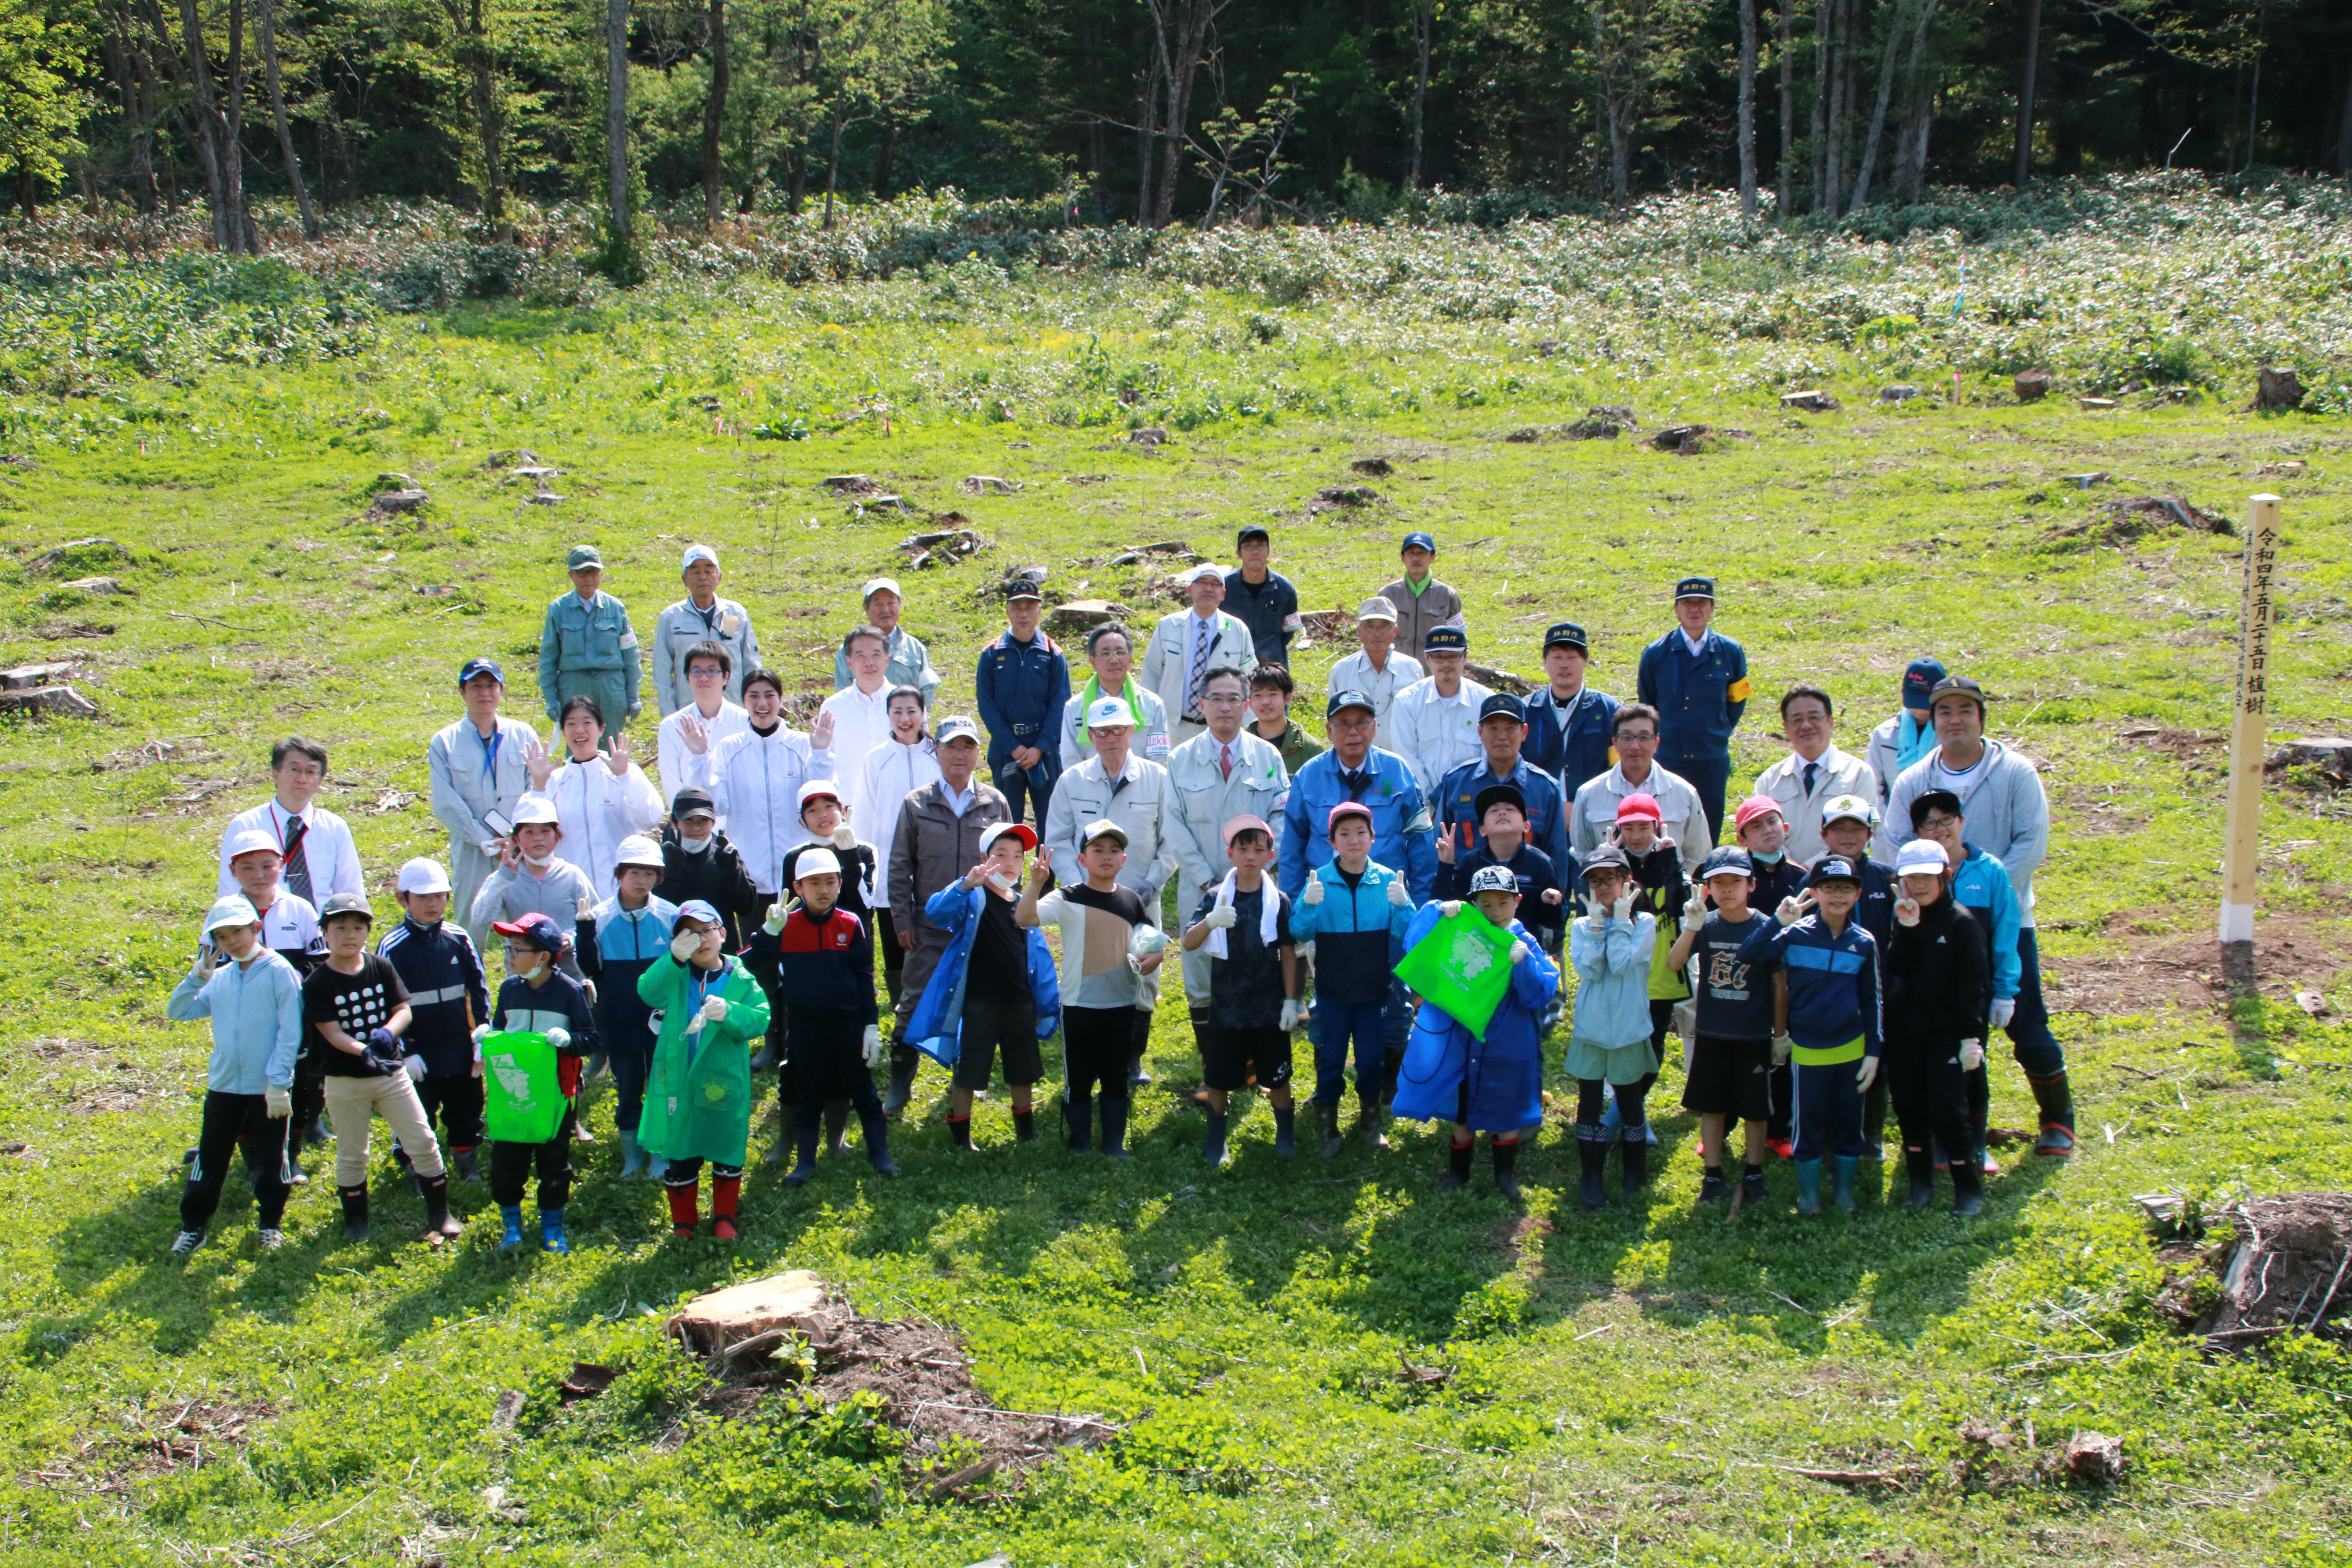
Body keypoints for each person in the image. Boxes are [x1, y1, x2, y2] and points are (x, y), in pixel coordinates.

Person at [1883, 675, 2072, 1155]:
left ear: (1981, 717)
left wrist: (1988, 891)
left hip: (2003, 919)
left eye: (1965, 710)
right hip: (1934, 927)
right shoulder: (1914, 779)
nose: (1954, 720)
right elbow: (1896, 841)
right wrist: (1939, 900)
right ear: (1933, 721)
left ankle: (2058, 1120)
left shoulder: (2016, 773)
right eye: (1945, 711)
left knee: (2024, 1020)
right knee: (1952, 1025)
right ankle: (1962, 1133)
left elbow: (2032, 840)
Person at [1280, 690, 1439, 1103]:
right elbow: (1293, 845)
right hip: (1329, 908)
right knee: (1328, 992)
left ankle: (1387, 1084)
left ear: (1375, 728)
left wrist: (1413, 904)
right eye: (1344, 724)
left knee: (1392, 992)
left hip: (1386, 907)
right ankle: (1326, 1083)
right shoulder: (1310, 777)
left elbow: (1422, 840)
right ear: (1329, 729)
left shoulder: (1397, 772)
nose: (1353, 733)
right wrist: (1302, 905)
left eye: (1362, 723)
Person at [1391, 865, 1560, 1198]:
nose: (1495, 912)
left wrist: (1524, 964)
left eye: (1503, 903)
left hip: (1508, 1046)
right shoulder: (1462, 933)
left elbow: (1538, 995)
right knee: (1463, 1112)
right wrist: (1437, 913)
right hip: (1464, 1044)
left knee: (1506, 1111)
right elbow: (1416, 945)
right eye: (1485, 904)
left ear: (1517, 901)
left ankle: (1505, 1177)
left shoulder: (1526, 943)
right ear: (1472, 903)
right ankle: (1458, 1174)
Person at [305, 892, 463, 1245]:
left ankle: (440, 1213)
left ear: (367, 932)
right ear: (325, 933)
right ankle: (356, 1221)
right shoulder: (317, 983)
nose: (350, 935)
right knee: (352, 1152)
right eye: (340, 927)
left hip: (391, 1074)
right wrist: (363, 1051)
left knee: (423, 1140)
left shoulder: (380, 966)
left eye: (358, 927)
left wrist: (387, 1035)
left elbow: (403, 1009)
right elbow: (331, 1032)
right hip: (345, 1079)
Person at [1040, 698, 1178, 1086]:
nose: (1112, 738)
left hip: (1142, 901)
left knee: (1145, 977)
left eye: (1119, 729)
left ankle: (1132, 1060)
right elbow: (1058, 841)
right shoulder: (1072, 781)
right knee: (1091, 976)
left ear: (1133, 731)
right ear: (1092, 736)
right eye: (1103, 732)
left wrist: (1150, 884)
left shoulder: (1158, 779)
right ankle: (1089, 1061)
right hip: (1087, 907)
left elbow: (1172, 842)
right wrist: (1078, 888)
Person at [1737, 858, 1883, 1214]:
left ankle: (1845, 1194)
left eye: (1845, 888)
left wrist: (1874, 1051)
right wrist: (1777, 921)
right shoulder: (1795, 933)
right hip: (1809, 1050)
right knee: (1809, 1124)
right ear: (1814, 892)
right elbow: (1749, 954)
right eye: (1829, 888)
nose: (1837, 895)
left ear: (1858, 894)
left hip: (1851, 1049)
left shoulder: (1864, 942)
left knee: (1850, 1122)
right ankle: (1809, 1196)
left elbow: (1872, 998)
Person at [906, 822, 1061, 1152]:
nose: (1010, 863)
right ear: (984, 858)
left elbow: (1040, 956)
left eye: (1018, 857)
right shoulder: (972, 896)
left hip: (1019, 1001)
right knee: (969, 1071)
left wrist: (1043, 1001)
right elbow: (936, 911)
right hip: (980, 1002)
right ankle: (962, 1140)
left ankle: (1026, 1133)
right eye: (1001, 855)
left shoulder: (1022, 901)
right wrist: (965, 884)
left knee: (1022, 1071)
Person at [886, 716, 1013, 1114]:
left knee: (976, 1006)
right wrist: (903, 922)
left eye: (968, 746)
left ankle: (966, 1082)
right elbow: (899, 866)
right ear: (936, 751)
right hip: (930, 924)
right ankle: (899, 1086)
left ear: (979, 753)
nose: (960, 754)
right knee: (912, 1004)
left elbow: (1011, 866)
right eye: (952, 746)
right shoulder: (916, 803)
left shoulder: (996, 802)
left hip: (982, 929)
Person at [165, 895, 303, 1256]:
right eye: (223, 937)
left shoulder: (279, 971)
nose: (232, 942)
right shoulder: (222, 978)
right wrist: (198, 977)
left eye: (238, 932)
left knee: (273, 1157)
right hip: (225, 1085)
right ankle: (194, 1227)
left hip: (267, 1088)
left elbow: (291, 1032)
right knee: (210, 1159)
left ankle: (270, 1223)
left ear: (256, 928)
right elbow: (179, 1011)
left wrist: (279, 1082)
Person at [1019, 825, 1162, 1158]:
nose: (1106, 856)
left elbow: (1154, 947)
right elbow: (1025, 918)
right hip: (1079, 1005)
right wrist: (1036, 883)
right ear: (1083, 859)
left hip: (1123, 1004)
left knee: (1116, 1076)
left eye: (1114, 850)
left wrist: (1150, 960)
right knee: (1079, 1078)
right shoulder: (1067, 898)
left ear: (1124, 859)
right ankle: (1079, 1143)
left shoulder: (1132, 900)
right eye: (1098, 850)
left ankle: (1114, 1142)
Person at [1163, 666, 1291, 1036]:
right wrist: (1209, 882)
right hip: (1200, 887)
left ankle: (1252, 1062)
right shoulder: (1180, 759)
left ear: (1247, 706)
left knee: (1254, 967)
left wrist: (1259, 868)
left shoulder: (1267, 758)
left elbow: (1280, 819)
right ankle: (1211, 1064)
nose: (1225, 707)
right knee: (1201, 974)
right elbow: (1175, 826)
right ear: (1201, 704)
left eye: (1234, 698)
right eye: (1216, 698)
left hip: (1254, 887)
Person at [1907, 786, 2024, 1180]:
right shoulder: (1911, 878)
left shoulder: (1990, 871)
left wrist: (2005, 991)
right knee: (1932, 1075)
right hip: (1925, 997)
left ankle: (1975, 1142)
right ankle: (1941, 1144)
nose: (1938, 829)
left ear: (1961, 822)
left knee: (1972, 1068)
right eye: (1928, 823)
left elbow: (2007, 934)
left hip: (1972, 994)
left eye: (1946, 820)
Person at [760, 848, 896, 1185]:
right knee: (808, 1092)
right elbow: (750, 961)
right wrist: (768, 931)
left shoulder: (850, 924)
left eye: (831, 882)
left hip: (849, 1026)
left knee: (864, 1092)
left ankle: (880, 1156)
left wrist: (870, 1025)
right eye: (814, 883)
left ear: (840, 884)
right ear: (799, 887)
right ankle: (805, 1162)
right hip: (806, 1027)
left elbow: (865, 978)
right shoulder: (786, 926)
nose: (824, 890)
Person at [637, 898, 771, 1239]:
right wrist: (673, 958)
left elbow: (761, 1019)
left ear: (723, 934)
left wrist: (730, 1012)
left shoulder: (739, 976)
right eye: (688, 934)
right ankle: (684, 1223)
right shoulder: (675, 974)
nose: (700, 940)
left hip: (724, 1078)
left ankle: (724, 1218)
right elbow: (648, 992)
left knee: (725, 1143)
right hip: (680, 1078)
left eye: (706, 931)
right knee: (681, 1146)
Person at [1289, 802, 1416, 1154]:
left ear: (1373, 838)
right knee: (1330, 1060)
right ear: (1333, 841)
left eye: (1361, 832)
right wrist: (1308, 906)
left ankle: (1370, 1124)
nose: (1354, 840)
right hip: (1333, 992)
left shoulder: (1389, 881)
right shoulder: (1319, 881)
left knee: (1371, 1059)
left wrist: (1404, 906)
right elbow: (1299, 932)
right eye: (1344, 834)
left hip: (1375, 992)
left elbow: (1410, 937)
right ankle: (1328, 1125)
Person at [1180, 816, 1299, 1166]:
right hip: (1227, 1008)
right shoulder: (1216, 898)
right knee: (1218, 1078)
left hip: (1268, 1007)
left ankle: (1285, 1133)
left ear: (1270, 856)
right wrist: (1211, 921)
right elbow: (1188, 942)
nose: (1250, 856)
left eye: (1258, 850)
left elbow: (1289, 953)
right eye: (1243, 849)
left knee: (1278, 1077)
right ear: (1230, 853)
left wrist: (1291, 1001)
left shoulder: (1278, 900)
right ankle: (1217, 1136)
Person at [1666, 847, 1778, 1210]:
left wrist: (1781, 1034)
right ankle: (1713, 1173)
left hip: (1754, 1034)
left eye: (1735, 882)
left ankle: (1755, 1171)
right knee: (1712, 1107)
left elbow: (1780, 982)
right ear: (1707, 888)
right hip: (1713, 1033)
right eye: (1718, 883)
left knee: (1755, 1109)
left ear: (1751, 885)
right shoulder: (1707, 923)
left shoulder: (1765, 926)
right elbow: (1674, 963)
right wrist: (1691, 928)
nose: (1727, 890)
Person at [1883, 839, 1991, 1215]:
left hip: (1947, 1036)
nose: (1920, 885)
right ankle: (1920, 1184)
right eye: (1912, 878)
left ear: (1945, 877)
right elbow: (1895, 968)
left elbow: (1974, 986)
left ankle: (1968, 1188)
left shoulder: (1962, 923)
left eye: (1928, 877)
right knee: (1910, 1109)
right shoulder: (1904, 915)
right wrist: (1908, 928)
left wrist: (1970, 1038)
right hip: (1905, 1034)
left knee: (1948, 1111)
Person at [483, 913, 598, 1252]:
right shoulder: (509, 989)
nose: (510, 956)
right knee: (506, 1162)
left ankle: (553, 1226)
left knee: (553, 1163)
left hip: (555, 1096)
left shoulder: (569, 992)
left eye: (518, 949)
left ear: (544, 956)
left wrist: (568, 1041)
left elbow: (591, 1039)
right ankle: (512, 1225)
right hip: (513, 1092)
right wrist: (486, 1039)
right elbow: (500, 1031)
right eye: (510, 948)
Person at [220, 827, 327, 1177]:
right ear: (233, 871)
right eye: (247, 868)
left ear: (282, 865)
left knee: (299, 1086)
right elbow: (214, 969)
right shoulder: (224, 915)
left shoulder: (300, 908)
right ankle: (253, 1156)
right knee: (245, 1089)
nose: (259, 875)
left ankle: (289, 1156)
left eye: (267, 865)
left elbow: (320, 964)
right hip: (246, 1022)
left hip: (293, 1020)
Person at [377, 857, 491, 1185]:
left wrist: (481, 1035)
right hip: (419, 1052)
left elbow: (478, 988)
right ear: (403, 899)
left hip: (460, 1045)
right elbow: (388, 1004)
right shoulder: (392, 947)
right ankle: (415, 1165)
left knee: (467, 1106)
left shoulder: (459, 938)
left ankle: (466, 1160)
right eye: (423, 897)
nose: (432, 904)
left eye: (439, 896)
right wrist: (406, 1050)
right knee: (416, 1113)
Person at [689, 666, 837, 911]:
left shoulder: (802, 744)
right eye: (754, 696)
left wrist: (821, 752)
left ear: (780, 700)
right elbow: (718, 805)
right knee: (756, 946)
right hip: (750, 874)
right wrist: (700, 759)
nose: (762, 703)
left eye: (769, 695)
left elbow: (821, 796)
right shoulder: (729, 748)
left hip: (799, 872)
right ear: (744, 702)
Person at [574, 835, 678, 1180]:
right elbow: (592, 968)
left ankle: (660, 1155)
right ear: (619, 874)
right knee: (629, 1086)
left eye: (650, 874)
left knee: (663, 1087)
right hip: (619, 1018)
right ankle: (632, 1157)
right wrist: (585, 931)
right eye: (635, 872)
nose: (642, 881)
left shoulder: (669, 915)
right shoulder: (600, 917)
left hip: (661, 1019)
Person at [428, 657, 544, 954]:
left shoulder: (524, 734)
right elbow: (446, 802)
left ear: (502, 689)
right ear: (461, 692)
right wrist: (484, 839)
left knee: (527, 925)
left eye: (491, 685)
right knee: (471, 923)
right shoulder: (445, 742)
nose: (484, 692)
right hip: (472, 849)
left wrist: (521, 835)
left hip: (520, 847)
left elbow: (537, 787)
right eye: (476, 686)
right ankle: (471, 991)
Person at [1565, 845, 1658, 1209]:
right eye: (1595, 881)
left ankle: (1635, 1171)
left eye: (1610, 879)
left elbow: (1620, 965)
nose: (1603, 888)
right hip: (1591, 1029)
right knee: (1588, 1101)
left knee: (1630, 1100)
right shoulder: (1582, 926)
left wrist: (1620, 921)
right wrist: (1600, 927)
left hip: (1630, 1030)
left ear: (1627, 882)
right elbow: (1591, 970)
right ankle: (1591, 1173)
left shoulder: (1645, 924)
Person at [1815, 793, 1900, 1156]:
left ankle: (1873, 1133)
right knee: (1834, 1057)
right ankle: (1831, 1133)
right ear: (1824, 835)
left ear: (1871, 833)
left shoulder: (1886, 878)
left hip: (1879, 987)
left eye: (1857, 828)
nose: (1848, 836)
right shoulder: (1812, 878)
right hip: (1828, 988)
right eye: (1839, 829)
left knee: (1877, 1058)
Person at [1635, 577, 1750, 844]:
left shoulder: (1731, 652)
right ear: (1676, 609)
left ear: (1712, 609)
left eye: (1702, 604)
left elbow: (1738, 700)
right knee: (1665, 831)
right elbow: (1647, 704)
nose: (1695, 610)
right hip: (1669, 757)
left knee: (1709, 833)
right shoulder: (1656, 654)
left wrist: (1717, 731)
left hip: (1711, 758)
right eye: (1688, 604)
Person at [525, 697, 663, 891]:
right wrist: (539, 787)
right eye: (571, 724)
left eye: (587, 723)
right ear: (564, 731)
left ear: (601, 729)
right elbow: (530, 830)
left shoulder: (623, 772)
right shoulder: (554, 780)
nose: (579, 730)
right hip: (570, 891)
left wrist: (625, 777)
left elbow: (651, 818)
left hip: (619, 892)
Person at [862, 685, 941, 1016]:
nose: (905, 719)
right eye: (897, 712)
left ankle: (936, 996)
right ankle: (901, 1001)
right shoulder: (877, 759)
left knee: (932, 927)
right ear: (888, 716)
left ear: (924, 714)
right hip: (888, 858)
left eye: (912, 711)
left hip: (933, 859)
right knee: (895, 930)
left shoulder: (939, 755)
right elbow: (866, 811)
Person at [1436, 693, 1571, 877]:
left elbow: (1558, 858)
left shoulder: (1545, 789)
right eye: (1493, 728)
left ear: (1524, 733)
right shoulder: (1457, 783)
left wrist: (1554, 902)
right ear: (1480, 733)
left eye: (1510, 729)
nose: (1502, 737)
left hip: (1526, 897)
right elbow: (1438, 848)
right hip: (1465, 897)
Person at [216, 736, 363, 904]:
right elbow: (229, 892)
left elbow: (351, 891)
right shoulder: (246, 826)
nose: (302, 779)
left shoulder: (335, 827)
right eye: (294, 770)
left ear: (321, 780)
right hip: (265, 925)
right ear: (276, 774)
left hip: (322, 926)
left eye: (311, 772)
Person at [1570, 704, 1709, 877]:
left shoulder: (1684, 793)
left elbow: (1698, 855)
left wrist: (1677, 887)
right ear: (1615, 743)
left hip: (1669, 896)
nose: (1635, 746)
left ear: (1656, 743)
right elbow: (1582, 852)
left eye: (1644, 737)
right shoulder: (1589, 794)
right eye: (1627, 737)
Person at [468, 795, 597, 980]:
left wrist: (571, 939)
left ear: (557, 836)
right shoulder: (504, 878)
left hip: (570, 979)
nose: (538, 838)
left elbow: (596, 923)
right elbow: (481, 918)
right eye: (529, 832)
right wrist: (503, 879)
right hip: (522, 979)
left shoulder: (573, 875)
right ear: (516, 840)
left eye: (545, 831)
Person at [975, 577, 1069, 828]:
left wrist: (1039, 748)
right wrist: (1015, 749)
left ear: (1040, 610)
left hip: (1045, 751)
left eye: (1030, 607)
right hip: (1007, 751)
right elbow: (986, 706)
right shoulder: (992, 654)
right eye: (1017, 607)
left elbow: (1060, 705)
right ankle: (1009, 869)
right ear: (1007, 610)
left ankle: (1048, 869)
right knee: (1006, 825)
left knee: (1051, 824)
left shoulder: (1053, 653)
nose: (1023, 614)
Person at [1751, 684, 1878, 865]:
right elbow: (1758, 833)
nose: (1806, 726)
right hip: (1781, 878)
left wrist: (1813, 869)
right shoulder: (1770, 780)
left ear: (1831, 722)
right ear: (1786, 728)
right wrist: (1791, 869)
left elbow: (1861, 835)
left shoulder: (1859, 774)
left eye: (1814, 717)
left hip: (1837, 881)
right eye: (1797, 720)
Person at [1434, 784, 1565, 952]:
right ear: (1482, 830)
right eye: (1494, 811)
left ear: (1527, 826)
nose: (1502, 813)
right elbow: (1445, 906)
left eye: (1510, 809)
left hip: (1525, 950)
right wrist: (1446, 864)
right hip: (1476, 950)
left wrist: (1551, 903)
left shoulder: (1541, 863)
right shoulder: (1470, 863)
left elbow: (1553, 922)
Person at [537, 544, 642, 749]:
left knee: (613, 746)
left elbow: (631, 655)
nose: (588, 578)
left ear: (601, 574)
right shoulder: (558, 610)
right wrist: (551, 699)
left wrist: (633, 696)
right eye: (582, 573)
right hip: (574, 685)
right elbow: (548, 658)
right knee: (579, 745)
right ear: (571, 576)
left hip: (611, 687)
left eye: (594, 572)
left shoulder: (616, 608)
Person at [1140, 564, 1257, 747]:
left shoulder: (1237, 630)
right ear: (1190, 590)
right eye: (1202, 582)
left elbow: (1250, 679)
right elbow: (1151, 675)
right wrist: (1149, 721)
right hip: (1173, 727)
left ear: (1224, 594)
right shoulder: (1168, 626)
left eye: (1215, 584)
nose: (1209, 588)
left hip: (1221, 729)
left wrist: (1247, 725)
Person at [650, 543, 760, 715]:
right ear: (685, 580)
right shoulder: (671, 618)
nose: (703, 577)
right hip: (689, 713)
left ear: (719, 577)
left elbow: (751, 665)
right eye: (695, 571)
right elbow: (662, 673)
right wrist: (670, 716)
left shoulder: (735, 614)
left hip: (733, 711)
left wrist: (752, 709)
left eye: (709, 571)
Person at [652, 785, 762, 950]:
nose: (696, 827)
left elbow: (746, 908)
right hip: (675, 953)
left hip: (721, 954)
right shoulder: (661, 860)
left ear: (713, 822)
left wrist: (733, 872)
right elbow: (654, 911)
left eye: (703, 820)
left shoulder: (726, 857)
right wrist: (671, 872)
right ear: (674, 823)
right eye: (688, 820)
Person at [1389, 626, 1491, 794]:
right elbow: (1407, 758)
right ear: (1427, 659)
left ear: (1466, 658)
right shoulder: (1407, 701)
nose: (1446, 664)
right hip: (1422, 804)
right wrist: (1432, 801)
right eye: (1438, 657)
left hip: (1473, 800)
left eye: (1453, 656)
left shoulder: (1485, 701)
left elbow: (1488, 758)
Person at [1523, 622, 1621, 795]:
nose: (1564, 665)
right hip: (1538, 811)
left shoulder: (1609, 710)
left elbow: (1618, 768)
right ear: (1545, 661)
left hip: (1592, 810)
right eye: (1557, 657)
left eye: (1572, 657)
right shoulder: (1526, 710)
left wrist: (1579, 806)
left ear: (1586, 660)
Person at [1059, 622, 1172, 767]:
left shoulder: (1153, 704)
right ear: (1093, 662)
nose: (1114, 660)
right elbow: (1071, 760)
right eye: (1106, 654)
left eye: (1120, 653)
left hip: (1141, 785)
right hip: (1090, 786)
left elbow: (1158, 758)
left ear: (1130, 659)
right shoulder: (1074, 708)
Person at [655, 641, 751, 811]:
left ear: (726, 677)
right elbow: (672, 785)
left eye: (712, 671)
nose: (704, 678)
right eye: (696, 671)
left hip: (738, 820)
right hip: (692, 821)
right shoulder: (671, 726)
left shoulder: (746, 722)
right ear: (687, 677)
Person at [821, 626, 901, 826]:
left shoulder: (906, 703)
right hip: (851, 814)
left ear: (887, 659)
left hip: (900, 809)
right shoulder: (833, 708)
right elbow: (825, 760)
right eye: (860, 656)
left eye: (876, 654)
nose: (869, 663)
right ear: (849, 662)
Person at [1325, 597, 1425, 753]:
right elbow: (1334, 720)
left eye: (1385, 627)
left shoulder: (1412, 669)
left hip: (1402, 759)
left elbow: (1421, 720)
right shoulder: (1342, 670)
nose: (1378, 634)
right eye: (1370, 627)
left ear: (1396, 631)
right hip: (1356, 760)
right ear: (1359, 631)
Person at [1867, 657, 1947, 836]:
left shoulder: (1949, 735)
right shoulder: (1884, 735)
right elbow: (1875, 786)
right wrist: (1888, 824)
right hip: (1890, 831)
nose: (1920, 709)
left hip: (1938, 830)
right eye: (1914, 700)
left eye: (1926, 701)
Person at [831, 577, 942, 705]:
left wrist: (912, 719)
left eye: (891, 603)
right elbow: (844, 696)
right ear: (866, 608)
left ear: (900, 604)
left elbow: (927, 690)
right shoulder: (848, 650)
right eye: (878, 604)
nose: (886, 610)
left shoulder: (916, 648)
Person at [1380, 530, 1466, 658]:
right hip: (1397, 670)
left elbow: (1458, 638)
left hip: (1435, 671)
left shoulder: (1448, 595)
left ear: (1433, 557)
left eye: (1422, 554)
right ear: (1402, 558)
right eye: (1411, 553)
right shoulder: (1387, 594)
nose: (1416, 558)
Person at [1224, 524, 1301, 668]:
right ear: (1239, 553)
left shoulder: (1285, 589)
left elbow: (1290, 631)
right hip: (1234, 667)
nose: (1255, 551)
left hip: (1273, 668)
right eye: (1248, 547)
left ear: (1268, 551)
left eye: (1260, 546)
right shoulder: (1224, 588)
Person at [1245, 664, 1323, 777]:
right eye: (1258, 695)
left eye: (1273, 694)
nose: (1265, 702)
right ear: (1250, 702)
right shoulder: (1240, 743)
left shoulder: (1309, 748)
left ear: (1287, 698)